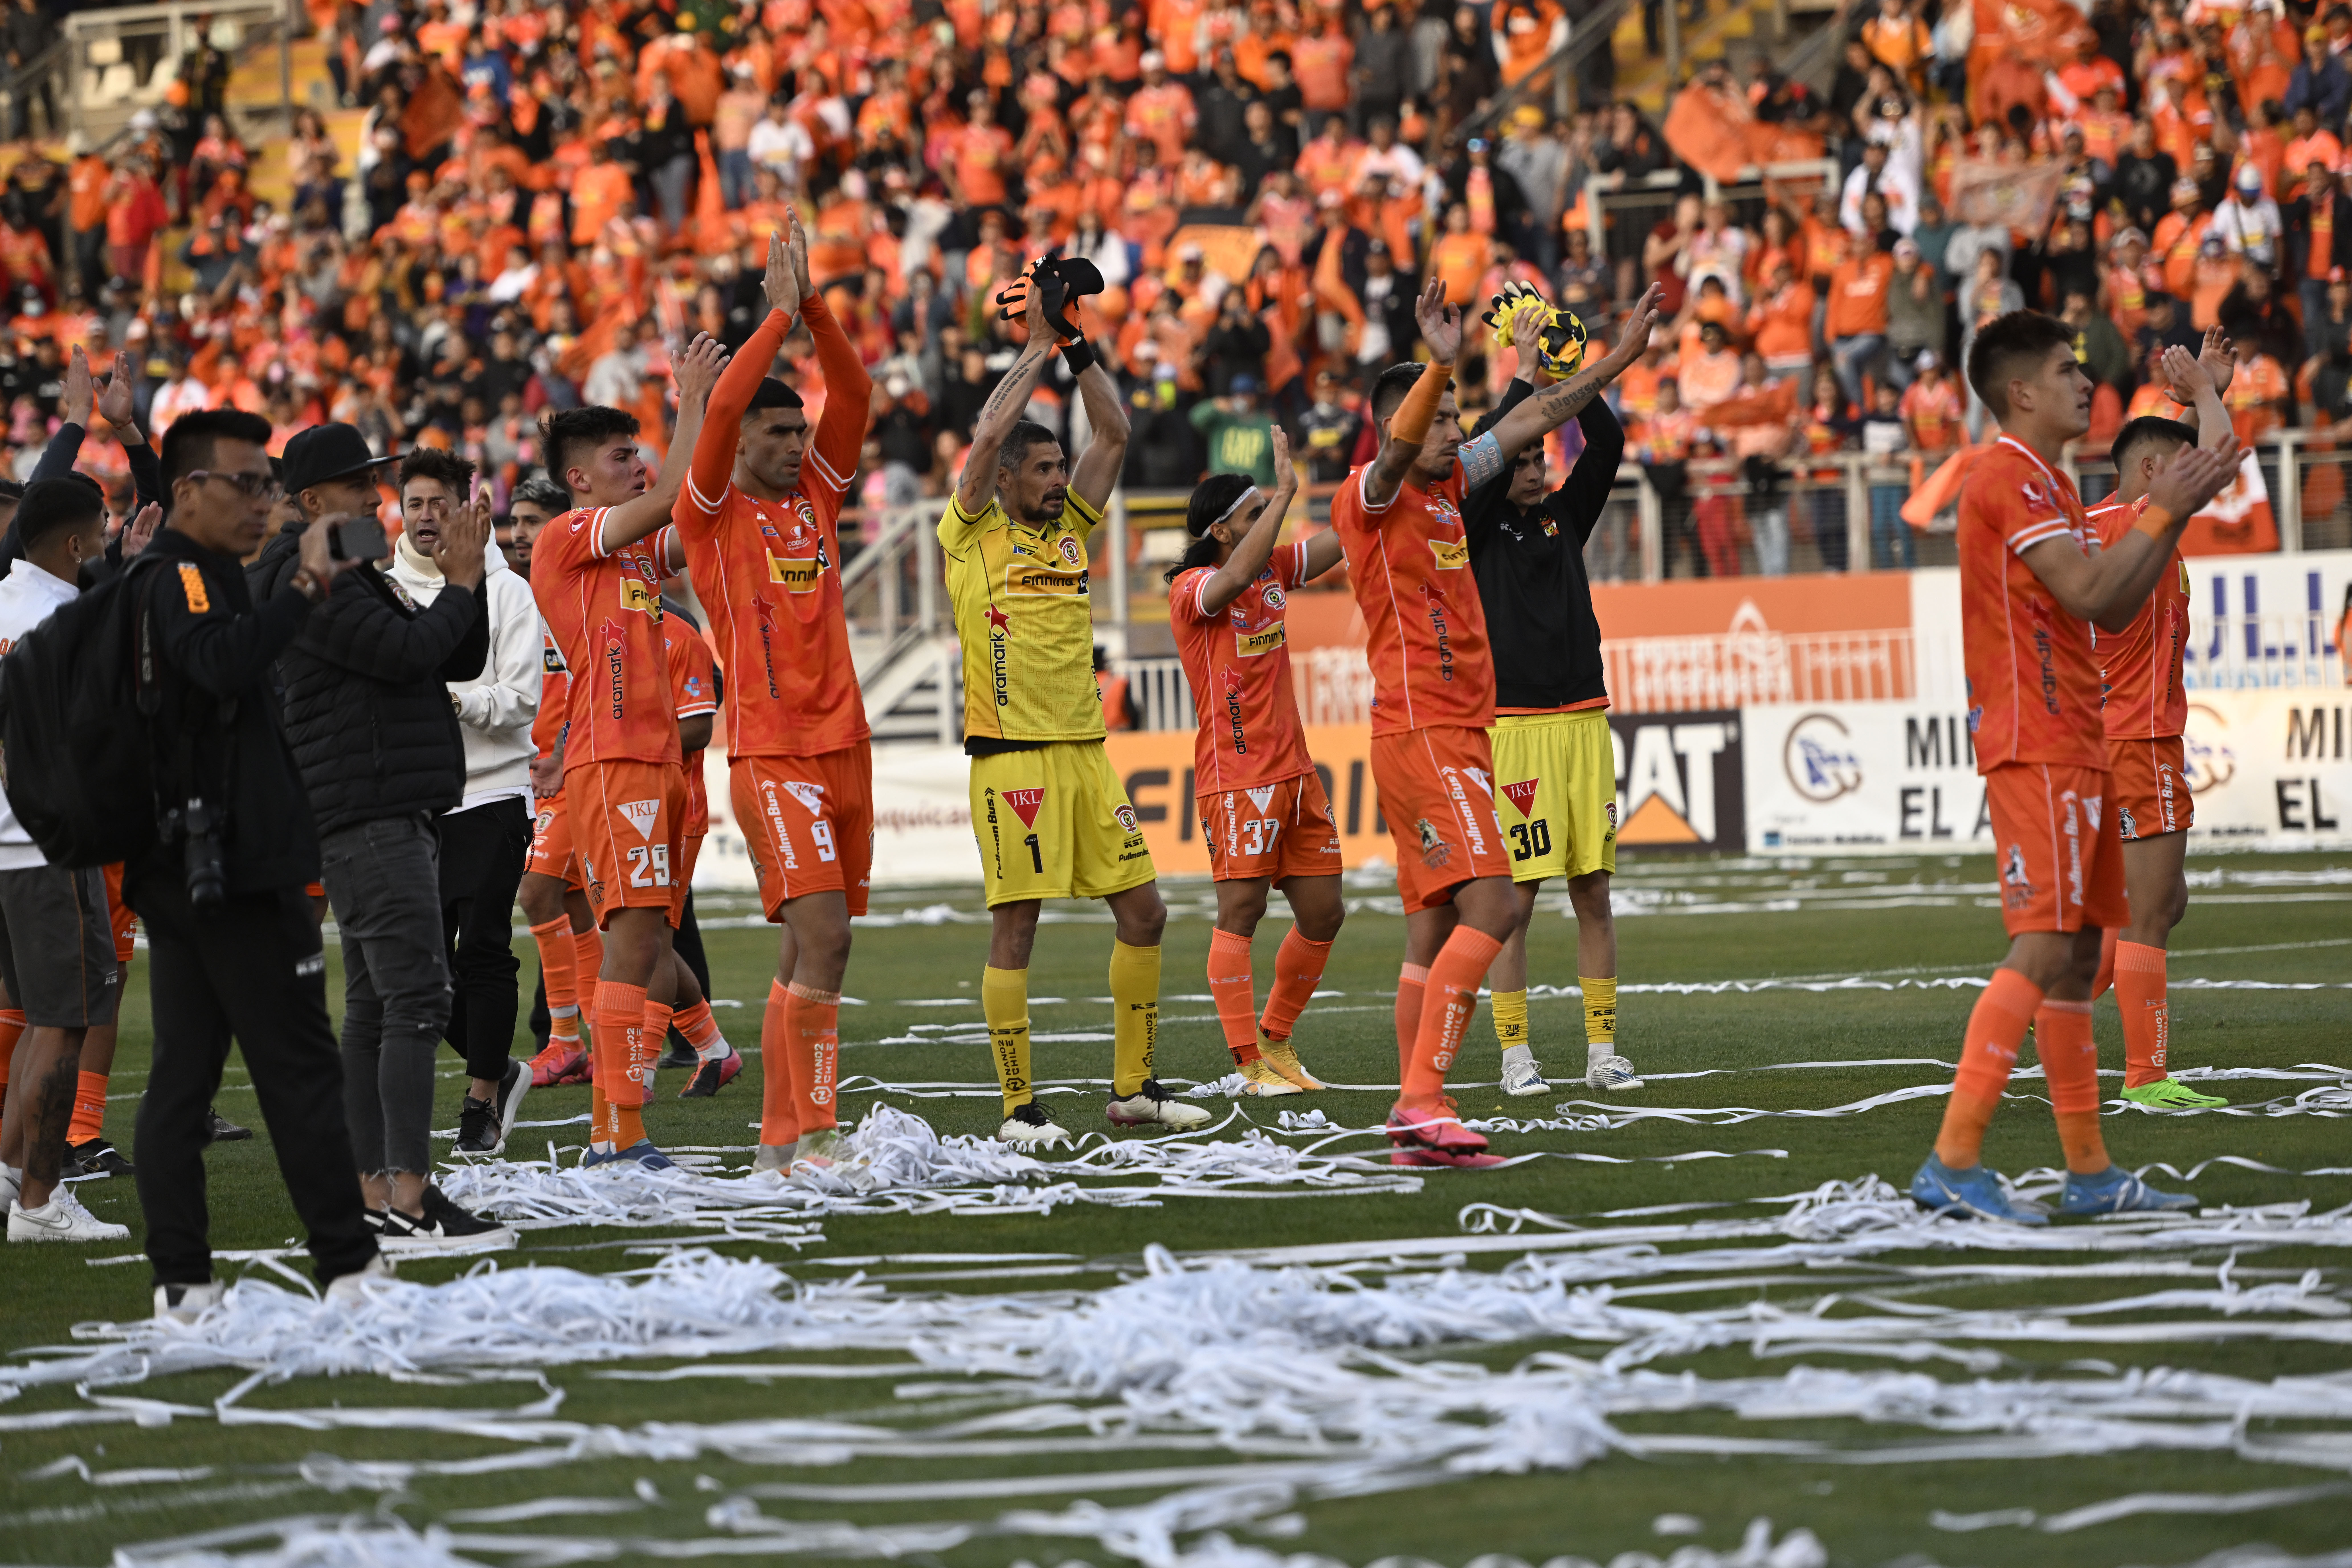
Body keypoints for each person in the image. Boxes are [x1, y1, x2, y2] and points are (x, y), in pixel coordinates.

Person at [1910, 311, 2240, 1224]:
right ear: (2021, 391)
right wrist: (2175, 501)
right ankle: (1953, 1157)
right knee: (2050, 945)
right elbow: (2097, 590)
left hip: (2083, 740)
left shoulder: (2051, 483)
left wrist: (2177, 503)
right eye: (2065, 370)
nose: (2082, 382)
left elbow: (2118, 598)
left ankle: (2091, 1173)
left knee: (2085, 952)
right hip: (2037, 740)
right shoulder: (2005, 476)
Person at [1334, 279, 1661, 1168]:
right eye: (1443, 422)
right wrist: (1440, 365)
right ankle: (1426, 1099)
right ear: (1405, 423)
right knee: (1498, 902)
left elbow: (1529, 421)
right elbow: (1406, 446)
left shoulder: (1450, 494)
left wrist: (1616, 361)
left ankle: (1414, 1111)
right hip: (1425, 732)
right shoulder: (1373, 493)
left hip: (1461, 733)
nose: (1459, 435)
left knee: (1436, 929)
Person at [940, 264, 1206, 1146]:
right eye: (1045, 469)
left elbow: (1117, 431)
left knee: (1146, 912)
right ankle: (1019, 1109)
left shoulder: (1069, 530)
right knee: (1018, 927)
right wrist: (1033, 350)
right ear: (1009, 475)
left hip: (1088, 755)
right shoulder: (973, 529)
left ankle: (1134, 1090)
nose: (1060, 480)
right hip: (1011, 755)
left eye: (1062, 468)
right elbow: (983, 439)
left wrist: (1079, 350)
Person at [134, 408, 389, 1316]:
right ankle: (351, 1270)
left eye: (268, 485)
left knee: (185, 1075)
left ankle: (184, 1285)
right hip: (231, 864)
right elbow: (223, 665)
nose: (264, 503)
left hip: (199, 859)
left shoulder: (183, 574)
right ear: (191, 491)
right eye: (248, 484)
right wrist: (305, 590)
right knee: (300, 1065)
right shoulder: (185, 580)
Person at [248, 424, 508, 1249]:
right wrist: (462, 578)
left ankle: (376, 1191)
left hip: (375, 803)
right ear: (314, 498)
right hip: (370, 807)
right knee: (416, 1001)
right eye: (364, 485)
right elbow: (407, 655)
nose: (381, 499)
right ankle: (406, 1197)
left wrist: (458, 571)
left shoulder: (340, 561)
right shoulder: (309, 572)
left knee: (373, 1009)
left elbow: (451, 658)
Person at [669, 225, 871, 1173]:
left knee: (807, 953)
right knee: (822, 938)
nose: (797, 445)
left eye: (800, 431)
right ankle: (817, 1134)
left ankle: (778, 1145)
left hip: (844, 744)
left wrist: (818, 306)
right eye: (776, 431)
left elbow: (858, 393)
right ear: (742, 433)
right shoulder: (710, 514)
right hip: (770, 751)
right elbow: (707, 428)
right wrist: (779, 314)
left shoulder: (820, 496)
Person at [531, 335, 729, 1170]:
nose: (639, 467)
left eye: (641, 454)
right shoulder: (567, 538)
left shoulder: (634, 551)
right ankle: (617, 1133)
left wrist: (724, 425)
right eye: (622, 457)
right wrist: (691, 405)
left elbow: (700, 510)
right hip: (612, 759)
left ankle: (619, 1130)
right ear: (580, 479)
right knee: (633, 943)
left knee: (643, 941)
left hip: (651, 761)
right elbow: (676, 496)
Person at [1465, 290, 1661, 1101]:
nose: (1539, 462)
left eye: (1544, 454)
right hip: (1513, 729)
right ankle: (1516, 1057)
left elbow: (1608, 441)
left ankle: (1601, 1051)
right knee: (1515, 900)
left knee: (1594, 892)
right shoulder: (1474, 522)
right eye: (1527, 455)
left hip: (1584, 721)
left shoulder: (1563, 519)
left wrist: (1580, 372)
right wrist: (1526, 376)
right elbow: (1490, 441)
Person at [2083, 333, 2240, 1112]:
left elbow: (2176, 452)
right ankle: (2146, 1077)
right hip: (2141, 741)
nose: (2194, 480)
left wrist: (2190, 395)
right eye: (2175, 466)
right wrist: (2208, 400)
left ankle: (2065, 1010)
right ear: (2150, 474)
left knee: (2160, 901)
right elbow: (2220, 454)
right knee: (2153, 908)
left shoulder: (2092, 528)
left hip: (2104, 741)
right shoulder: (2143, 522)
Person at [1165, 433, 1346, 1099]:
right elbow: (1235, 575)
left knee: (1325, 912)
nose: (1263, 528)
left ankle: (1276, 1040)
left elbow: (1340, 543)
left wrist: (1379, 488)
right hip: (1237, 776)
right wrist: (1287, 493)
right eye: (1252, 516)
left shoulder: (1271, 570)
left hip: (1297, 774)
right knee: (1239, 913)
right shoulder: (1193, 588)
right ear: (1221, 529)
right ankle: (1246, 1064)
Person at [387, 447, 542, 1156]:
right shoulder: (380, 590)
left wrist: (445, 698)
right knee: (420, 966)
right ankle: (502, 1069)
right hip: (416, 802)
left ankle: (480, 1102)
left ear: (466, 507)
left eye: (438, 503)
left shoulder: (508, 591)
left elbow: (520, 703)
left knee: (482, 950)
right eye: (414, 503)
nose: (426, 517)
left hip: (493, 791)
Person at [0, 481, 136, 1242]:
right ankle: (42, 1203)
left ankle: (14, 1173)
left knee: (37, 1022)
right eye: (102, 532)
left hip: (9, 844)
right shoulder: (67, 620)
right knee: (65, 1022)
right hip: (53, 843)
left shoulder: (3, 606)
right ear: (76, 545)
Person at [508, 475, 605, 1091]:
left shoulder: (570, 592)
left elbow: (589, 678)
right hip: (536, 769)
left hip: (568, 768)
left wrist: (562, 754)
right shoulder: (516, 595)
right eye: (513, 521)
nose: (518, 532)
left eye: (531, 520)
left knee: (537, 893)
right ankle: (705, 1040)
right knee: (574, 905)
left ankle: (569, 1040)